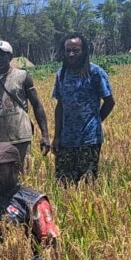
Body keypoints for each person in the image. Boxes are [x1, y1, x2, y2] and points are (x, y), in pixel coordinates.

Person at [52, 33, 115, 184]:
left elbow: (109, 102)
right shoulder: (61, 75)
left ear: (84, 51)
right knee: (63, 184)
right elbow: (60, 107)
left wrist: (95, 121)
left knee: (87, 185)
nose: (71, 54)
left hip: (89, 140)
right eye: (68, 50)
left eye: (75, 50)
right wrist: (56, 137)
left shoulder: (95, 73)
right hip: (66, 140)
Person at [0, 40, 51, 166]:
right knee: (0, 175)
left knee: (23, 173)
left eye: (2, 55)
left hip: (21, 136)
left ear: (10, 57)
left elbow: (37, 105)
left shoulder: (23, 76)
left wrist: (45, 135)